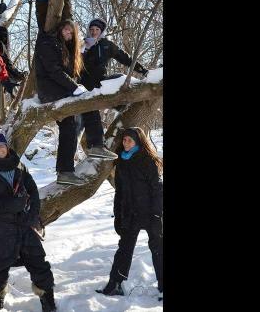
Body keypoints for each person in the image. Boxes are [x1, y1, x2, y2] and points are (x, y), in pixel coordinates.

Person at [0, 134, 57, 312]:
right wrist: (8, 205)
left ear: (6, 147)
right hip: (1, 227)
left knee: (38, 262)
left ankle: (48, 302)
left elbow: (33, 191)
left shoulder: (18, 166)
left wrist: (33, 214)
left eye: (1, 146)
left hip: (25, 224)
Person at [96, 127, 163, 301]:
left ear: (138, 142)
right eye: (124, 140)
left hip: (150, 213)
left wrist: (157, 214)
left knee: (158, 249)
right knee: (124, 249)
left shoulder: (148, 161)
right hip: (130, 214)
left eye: (129, 140)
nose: (125, 143)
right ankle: (114, 285)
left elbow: (156, 190)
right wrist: (118, 215)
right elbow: (119, 192)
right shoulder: (121, 162)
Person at [78, 18, 150, 159]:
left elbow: (126, 58)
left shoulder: (107, 45)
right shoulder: (82, 44)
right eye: (91, 30)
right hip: (83, 86)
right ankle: (92, 147)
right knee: (82, 121)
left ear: (101, 31)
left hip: (101, 84)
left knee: (119, 77)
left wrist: (144, 71)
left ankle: (122, 107)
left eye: (97, 30)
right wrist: (83, 49)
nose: (93, 32)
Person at [33, 19, 87, 185]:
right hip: (50, 91)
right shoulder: (48, 42)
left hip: (60, 90)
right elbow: (53, 70)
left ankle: (65, 171)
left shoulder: (66, 48)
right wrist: (74, 87)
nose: (68, 34)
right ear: (59, 29)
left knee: (70, 127)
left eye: (71, 33)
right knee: (72, 123)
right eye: (66, 30)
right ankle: (93, 145)